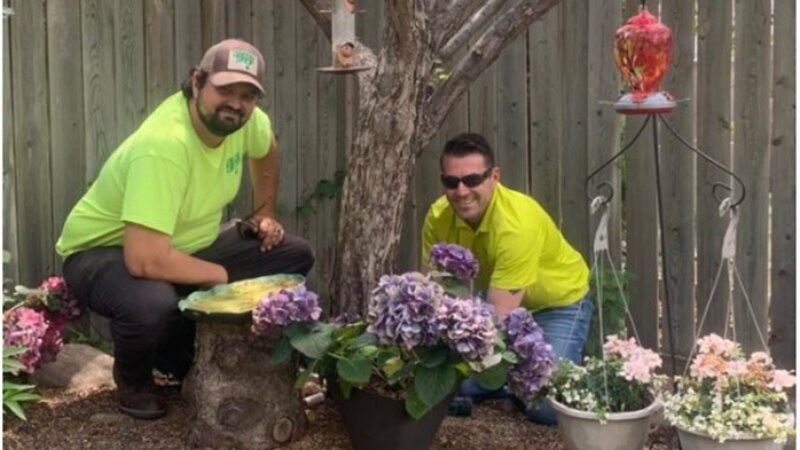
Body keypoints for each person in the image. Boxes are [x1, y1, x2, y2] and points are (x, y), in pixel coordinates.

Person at [55, 39, 314, 420]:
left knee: (293, 256)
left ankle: (189, 350)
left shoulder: (246, 122)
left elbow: (266, 148)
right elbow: (143, 258)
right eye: (224, 89)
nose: (236, 103)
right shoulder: (164, 146)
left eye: (247, 95)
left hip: (186, 245)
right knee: (152, 304)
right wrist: (222, 280)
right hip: (103, 254)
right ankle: (135, 378)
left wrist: (264, 213)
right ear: (196, 82)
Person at [421, 132, 592, 425]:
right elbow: (438, 293)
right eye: (451, 182)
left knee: (546, 410)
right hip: (495, 303)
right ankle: (506, 380)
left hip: (556, 305)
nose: (461, 191)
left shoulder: (517, 225)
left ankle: (517, 380)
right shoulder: (438, 217)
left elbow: (498, 318)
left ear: (494, 176)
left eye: (472, 179)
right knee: (445, 380)